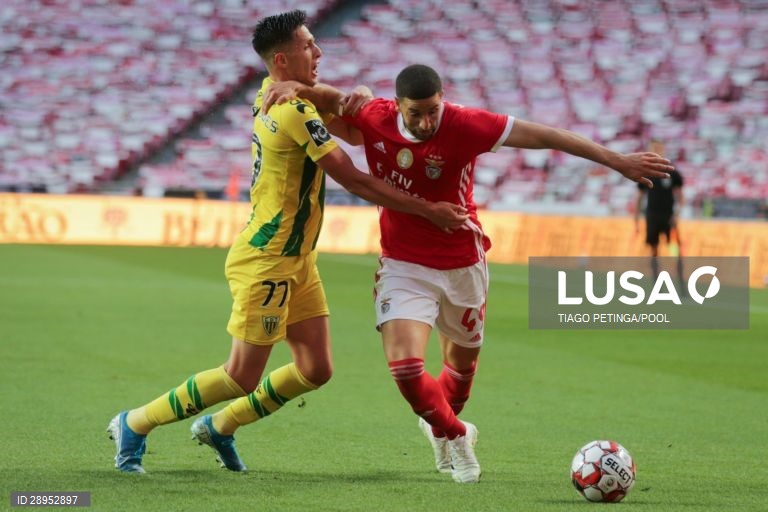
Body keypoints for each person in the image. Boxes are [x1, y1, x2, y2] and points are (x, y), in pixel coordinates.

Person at [262, 64, 674, 483]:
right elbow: (335, 99)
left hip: (462, 261)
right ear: (397, 106)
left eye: (433, 111)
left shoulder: (465, 124)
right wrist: (300, 86)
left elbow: (545, 135)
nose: (426, 122)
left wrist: (617, 161)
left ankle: (444, 424)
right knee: (405, 368)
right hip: (403, 264)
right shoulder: (375, 115)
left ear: (443, 100)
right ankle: (458, 437)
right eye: (415, 114)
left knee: (459, 379)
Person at [106, 11, 468, 474]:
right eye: (309, 46)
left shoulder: (273, 91)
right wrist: (427, 209)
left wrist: (357, 97)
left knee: (316, 369)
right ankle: (135, 422)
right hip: (269, 259)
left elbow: (348, 115)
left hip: (298, 259)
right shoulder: (292, 109)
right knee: (241, 374)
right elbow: (352, 178)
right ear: (283, 59)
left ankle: (220, 426)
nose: (318, 53)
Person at [635, 138, 684, 285]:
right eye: (654, 148)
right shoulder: (645, 173)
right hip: (652, 217)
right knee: (654, 251)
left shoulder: (672, 172)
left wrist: (676, 213)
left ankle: (681, 283)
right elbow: (639, 197)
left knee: (675, 249)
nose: (657, 151)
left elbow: (680, 196)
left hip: (669, 217)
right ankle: (657, 284)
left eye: (659, 148)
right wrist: (636, 219)